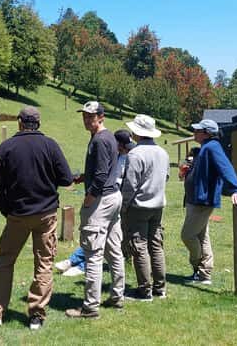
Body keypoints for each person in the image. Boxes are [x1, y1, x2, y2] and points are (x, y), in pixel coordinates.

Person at [0, 106, 73, 331]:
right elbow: (65, 178)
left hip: (17, 214)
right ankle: (36, 315)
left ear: (20, 123)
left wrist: (6, 210)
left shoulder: (7, 147)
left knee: (5, 260)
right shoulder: (50, 145)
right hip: (45, 214)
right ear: (38, 123)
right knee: (44, 263)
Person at [66, 101, 125, 319]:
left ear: (101, 117)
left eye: (91, 116)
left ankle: (90, 307)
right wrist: (83, 177)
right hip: (113, 197)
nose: (86, 120)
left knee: (93, 254)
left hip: (101, 200)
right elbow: (105, 169)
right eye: (84, 116)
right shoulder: (107, 137)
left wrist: (89, 199)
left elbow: (100, 176)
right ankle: (117, 296)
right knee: (113, 250)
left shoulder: (100, 140)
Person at [55, 130, 135, 277]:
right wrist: (84, 178)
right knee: (96, 235)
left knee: (99, 237)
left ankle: (81, 266)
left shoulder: (129, 159)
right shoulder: (113, 156)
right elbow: (101, 173)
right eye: (125, 146)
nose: (128, 149)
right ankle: (72, 261)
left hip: (114, 200)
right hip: (108, 199)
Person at [181, 118, 237, 285]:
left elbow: (226, 168)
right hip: (196, 200)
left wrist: (235, 189)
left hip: (202, 201)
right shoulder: (205, 147)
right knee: (202, 236)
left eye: (197, 131)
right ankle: (204, 275)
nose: (194, 133)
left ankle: (198, 266)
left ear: (207, 133)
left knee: (187, 236)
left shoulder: (212, 147)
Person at [121, 114, 170, 301]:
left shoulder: (135, 154)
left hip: (139, 206)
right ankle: (160, 288)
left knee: (139, 246)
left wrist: (123, 206)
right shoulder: (163, 153)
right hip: (158, 205)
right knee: (156, 245)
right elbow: (166, 177)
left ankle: (144, 290)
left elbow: (130, 185)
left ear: (137, 132)